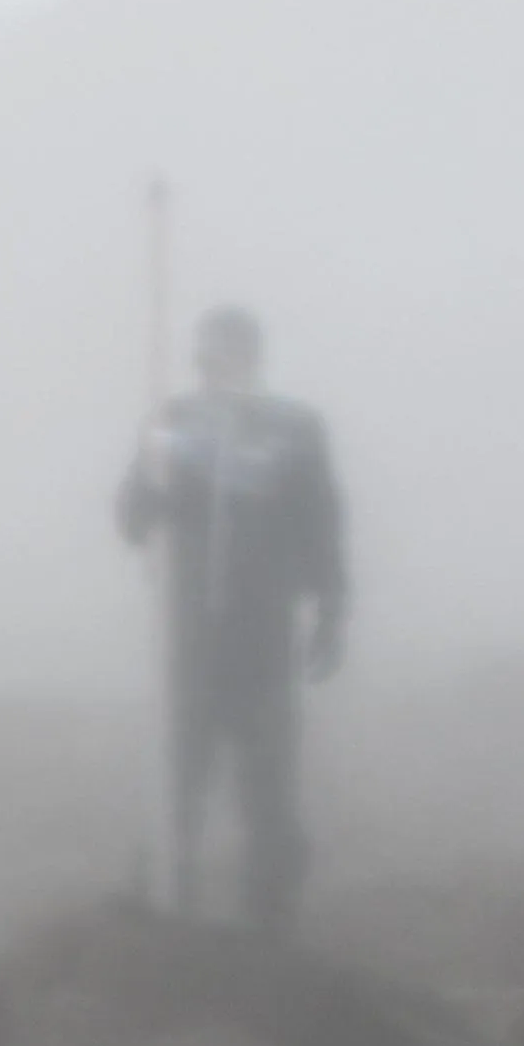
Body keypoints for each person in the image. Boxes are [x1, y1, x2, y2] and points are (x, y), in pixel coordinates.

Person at [116, 304, 351, 935]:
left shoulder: (295, 429)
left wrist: (332, 609)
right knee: (178, 786)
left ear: (254, 355)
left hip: (263, 636)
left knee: (269, 791)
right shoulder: (172, 425)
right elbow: (130, 517)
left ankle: (270, 932)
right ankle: (160, 924)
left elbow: (321, 522)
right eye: (209, 352)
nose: (217, 363)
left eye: (230, 350)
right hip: (188, 635)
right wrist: (155, 498)